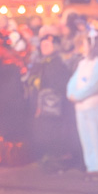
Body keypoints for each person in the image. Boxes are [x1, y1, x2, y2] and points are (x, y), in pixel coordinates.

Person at [27, 28, 82, 171]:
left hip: (54, 109)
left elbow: (62, 85)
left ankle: (55, 159)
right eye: (43, 44)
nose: (45, 47)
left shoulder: (57, 64)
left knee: (53, 134)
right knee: (43, 132)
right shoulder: (41, 63)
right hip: (41, 108)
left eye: (49, 45)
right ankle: (47, 157)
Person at [67, 33, 98, 176]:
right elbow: (73, 81)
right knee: (86, 137)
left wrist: (79, 95)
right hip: (81, 107)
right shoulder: (83, 63)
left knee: (96, 137)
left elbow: (95, 84)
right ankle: (91, 166)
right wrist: (71, 94)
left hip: (94, 105)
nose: (83, 48)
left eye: (85, 45)